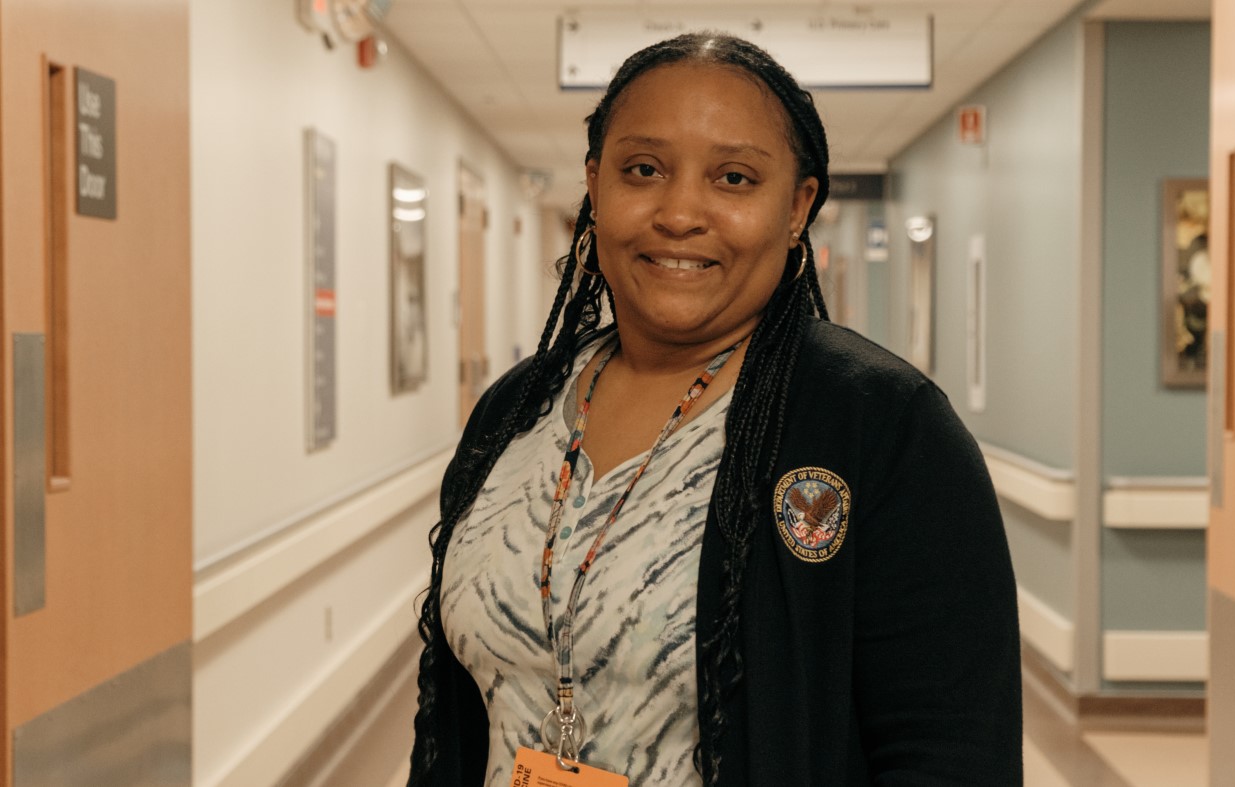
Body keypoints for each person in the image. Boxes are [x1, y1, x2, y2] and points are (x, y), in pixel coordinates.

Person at [410, 32, 1021, 786]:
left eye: (733, 178)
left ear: (798, 206)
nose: (680, 212)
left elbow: (952, 755)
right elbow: (452, 717)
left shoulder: (882, 424)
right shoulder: (519, 407)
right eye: (643, 170)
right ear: (595, 187)